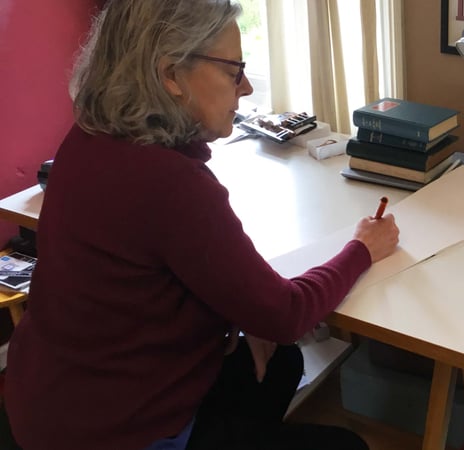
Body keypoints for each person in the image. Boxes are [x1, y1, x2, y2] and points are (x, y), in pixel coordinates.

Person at [4, 1, 399, 449]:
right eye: (234, 71)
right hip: (114, 432)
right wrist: (362, 248)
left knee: (279, 361)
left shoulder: (89, 138)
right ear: (170, 75)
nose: (247, 87)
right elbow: (287, 314)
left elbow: (151, 282)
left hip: (51, 401)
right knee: (345, 445)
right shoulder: (169, 183)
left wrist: (238, 322)